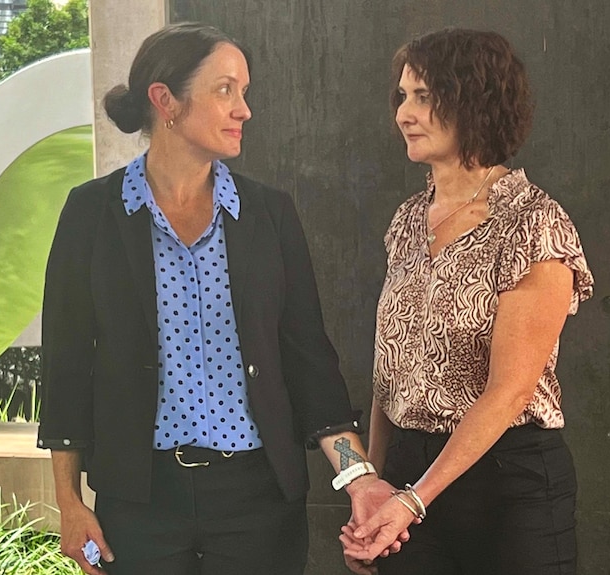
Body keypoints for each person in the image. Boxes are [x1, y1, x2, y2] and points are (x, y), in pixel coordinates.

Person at [37, 22, 395, 575]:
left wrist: (360, 478)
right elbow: (66, 365)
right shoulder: (92, 214)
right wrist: (68, 504)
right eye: (225, 89)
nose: (243, 109)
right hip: (139, 500)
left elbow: (310, 363)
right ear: (166, 101)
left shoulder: (269, 215)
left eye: (244, 92)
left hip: (259, 498)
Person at [340, 28, 594, 575]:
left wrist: (410, 500)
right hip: (410, 471)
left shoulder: (534, 222)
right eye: (402, 96)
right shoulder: (407, 221)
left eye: (424, 97)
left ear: (476, 99)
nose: (404, 112)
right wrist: (374, 494)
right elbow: (390, 376)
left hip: (509, 482)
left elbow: (509, 392)